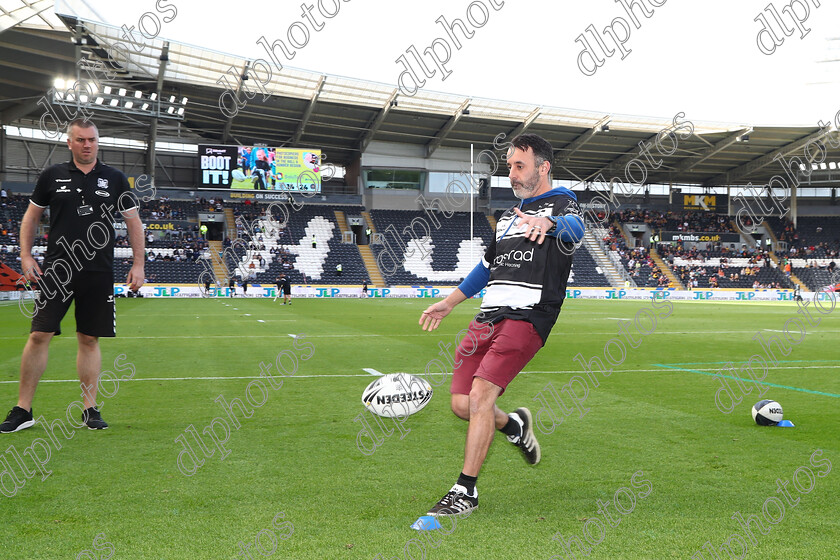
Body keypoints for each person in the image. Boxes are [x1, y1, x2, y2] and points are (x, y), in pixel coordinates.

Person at [418, 133, 584, 516]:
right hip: (487, 316)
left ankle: (465, 492)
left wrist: (551, 223)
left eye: (519, 165)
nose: (511, 173)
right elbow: (487, 268)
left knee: (480, 397)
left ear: (543, 167)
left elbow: (576, 230)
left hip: (527, 316)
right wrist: (449, 303)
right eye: (509, 166)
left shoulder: (562, 203)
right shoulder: (508, 216)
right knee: (462, 404)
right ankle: (514, 427)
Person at [0, 119, 145, 433]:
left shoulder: (116, 178)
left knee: (89, 339)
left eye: (92, 139)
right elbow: (31, 217)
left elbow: (133, 222)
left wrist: (139, 264)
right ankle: (23, 410)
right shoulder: (52, 176)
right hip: (57, 270)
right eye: (80, 140)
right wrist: (25, 255)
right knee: (39, 335)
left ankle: (90, 409)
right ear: (69, 143)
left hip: (98, 270)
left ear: (97, 141)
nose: (87, 145)